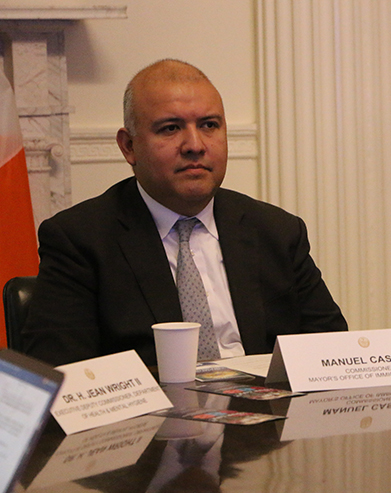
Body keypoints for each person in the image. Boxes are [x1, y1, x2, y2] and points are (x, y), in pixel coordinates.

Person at [22, 59, 347, 366]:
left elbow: (331, 353)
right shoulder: (80, 240)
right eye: (170, 128)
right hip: (150, 422)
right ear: (129, 147)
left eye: (209, 125)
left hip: (268, 419)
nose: (195, 144)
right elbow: (64, 375)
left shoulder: (276, 231)